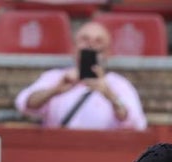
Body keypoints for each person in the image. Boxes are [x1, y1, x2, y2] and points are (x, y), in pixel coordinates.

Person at [14, 21, 147, 131]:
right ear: (73, 48)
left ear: (107, 53)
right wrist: (54, 90)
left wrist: (110, 95)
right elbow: (24, 103)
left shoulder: (118, 84)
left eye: (98, 41)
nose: (91, 45)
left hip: (101, 153)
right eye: (85, 39)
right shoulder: (56, 77)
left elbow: (138, 124)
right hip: (58, 151)